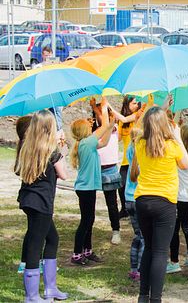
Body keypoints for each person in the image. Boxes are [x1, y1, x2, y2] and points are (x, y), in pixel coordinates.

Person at [130, 105, 188, 303]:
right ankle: (156, 299)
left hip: (143, 200)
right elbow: (186, 164)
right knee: (160, 252)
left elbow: (139, 127)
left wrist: (157, 112)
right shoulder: (171, 146)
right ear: (165, 125)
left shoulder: (140, 143)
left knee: (149, 248)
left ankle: (143, 296)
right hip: (164, 202)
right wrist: (177, 135)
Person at [16, 110, 68, 301]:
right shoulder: (51, 151)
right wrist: (61, 151)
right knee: (36, 244)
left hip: (29, 201)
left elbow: (18, 170)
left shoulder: (28, 146)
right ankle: (31, 295)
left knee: (52, 238)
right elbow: (64, 174)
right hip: (42, 203)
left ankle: (50, 288)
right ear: (50, 127)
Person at [70, 99, 114, 266]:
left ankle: (87, 250)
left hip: (88, 188)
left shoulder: (87, 144)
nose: (91, 127)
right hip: (85, 189)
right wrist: (103, 107)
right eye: (88, 127)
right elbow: (101, 128)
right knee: (86, 221)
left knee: (90, 219)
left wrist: (110, 126)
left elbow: (105, 141)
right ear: (84, 131)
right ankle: (76, 254)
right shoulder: (86, 143)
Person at [167, 124, 188, 273]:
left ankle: (174, 262)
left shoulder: (178, 154)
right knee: (186, 226)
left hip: (180, 196)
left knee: (174, 229)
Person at [90, 99, 124, 245]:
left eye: (102, 110)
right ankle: (87, 230)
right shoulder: (93, 130)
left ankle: (116, 231)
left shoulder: (113, 126)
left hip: (109, 169)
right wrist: (96, 108)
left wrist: (100, 107)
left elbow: (105, 123)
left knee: (112, 203)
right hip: (94, 169)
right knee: (89, 203)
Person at [115, 95, 145, 220]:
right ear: (127, 104)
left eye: (137, 103)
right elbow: (118, 139)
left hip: (136, 158)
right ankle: (125, 209)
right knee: (121, 186)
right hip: (126, 159)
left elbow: (124, 118)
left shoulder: (138, 115)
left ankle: (135, 209)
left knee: (136, 184)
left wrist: (109, 108)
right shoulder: (123, 122)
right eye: (133, 103)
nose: (136, 105)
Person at [124, 127, 145, 282]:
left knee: (137, 235)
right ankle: (140, 269)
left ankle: (133, 269)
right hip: (139, 199)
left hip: (128, 199)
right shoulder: (143, 156)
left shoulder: (129, 150)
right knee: (145, 238)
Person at [14, 115, 32, 275]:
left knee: (33, 230)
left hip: (28, 198)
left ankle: (26, 262)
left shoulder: (24, 147)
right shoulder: (29, 149)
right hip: (34, 199)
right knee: (38, 232)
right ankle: (31, 263)